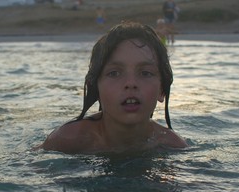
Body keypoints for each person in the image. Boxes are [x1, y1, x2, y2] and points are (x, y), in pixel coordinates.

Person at [38, 21, 187, 155]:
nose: (131, 83)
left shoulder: (173, 145)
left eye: (145, 73)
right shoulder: (68, 139)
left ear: (162, 90)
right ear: (96, 88)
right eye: (114, 73)